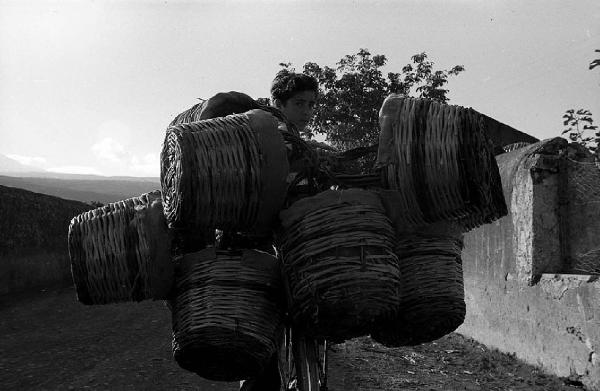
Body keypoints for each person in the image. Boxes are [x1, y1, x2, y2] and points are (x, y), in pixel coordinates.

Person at [239, 70, 319, 391]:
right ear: (279, 104)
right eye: (299, 103)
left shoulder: (300, 142)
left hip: (289, 238)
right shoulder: (271, 138)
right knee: (267, 323)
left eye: (312, 104)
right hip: (265, 240)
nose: (307, 111)